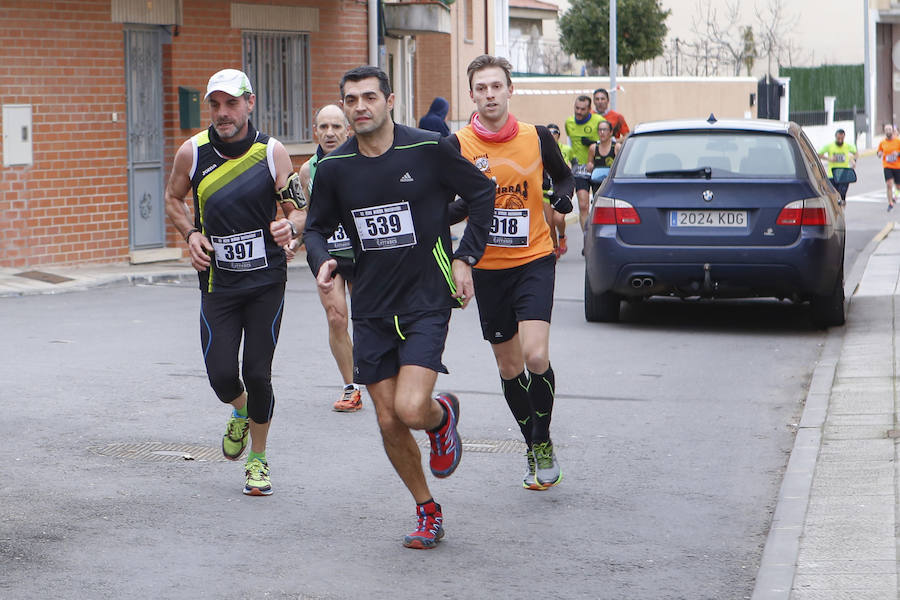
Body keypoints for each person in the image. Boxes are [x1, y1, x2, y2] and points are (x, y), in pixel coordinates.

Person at [303, 66, 495, 549]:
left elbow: (481, 192)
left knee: (411, 408)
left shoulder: (428, 148)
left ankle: (440, 416)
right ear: (344, 108)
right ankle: (427, 510)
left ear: (390, 101)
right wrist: (324, 261)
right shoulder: (335, 168)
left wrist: (466, 256)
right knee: (388, 419)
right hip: (370, 307)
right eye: (351, 99)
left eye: (370, 97)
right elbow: (314, 228)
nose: (360, 106)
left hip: (427, 299)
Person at [164, 69, 305, 496]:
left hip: (265, 281)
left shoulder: (272, 152)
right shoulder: (192, 151)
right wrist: (191, 235)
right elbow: (172, 198)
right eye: (215, 104)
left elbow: (298, 208)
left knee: (257, 374)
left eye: (231, 103)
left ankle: (257, 461)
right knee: (223, 376)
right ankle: (240, 412)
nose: (223, 113)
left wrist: (290, 228)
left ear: (250, 103)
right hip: (218, 283)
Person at [448, 55, 574, 492]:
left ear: (509, 89)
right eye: (480, 88)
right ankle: (531, 443)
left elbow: (564, 177)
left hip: (534, 259)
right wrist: (465, 209)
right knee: (509, 367)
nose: (489, 95)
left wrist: (561, 199)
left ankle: (542, 442)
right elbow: (449, 202)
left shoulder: (536, 137)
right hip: (489, 269)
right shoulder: (458, 145)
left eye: (495, 87)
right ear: (472, 95)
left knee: (536, 357)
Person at [298, 104, 362, 412]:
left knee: (370, 318)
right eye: (323, 127)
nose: (330, 133)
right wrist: (295, 238)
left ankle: (383, 375)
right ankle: (351, 386)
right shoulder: (307, 171)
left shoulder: (361, 160)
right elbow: (310, 218)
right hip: (330, 255)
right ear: (315, 132)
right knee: (337, 317)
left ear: (348, 130)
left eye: (336, 126)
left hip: (363, 254)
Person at [565, 95, 604, 229]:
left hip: (598, 167)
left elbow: (608, 141)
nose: (579, 112)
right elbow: (569, 143)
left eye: (582, 109)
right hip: (580, 169)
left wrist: (593, 143)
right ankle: (586, 239)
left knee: (599, 206)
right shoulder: (569, 123)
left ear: (589, 109)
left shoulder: (599, 121)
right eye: (577, 108)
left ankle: (597, 236)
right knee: (583, 205)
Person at [544, 123, 572, 257]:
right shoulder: (540, 150)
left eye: (554, 133)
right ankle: (554, 246)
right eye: (548, 133)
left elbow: (573, 164)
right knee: (549, 222)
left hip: (561, 189)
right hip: (545, 190)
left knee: (558, 219)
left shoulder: (566, 149)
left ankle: (562, 237)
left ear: (559, 135)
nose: (551, 136)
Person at [818, 128, 857, 206]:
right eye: (838, 138)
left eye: (842, 138)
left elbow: (855, 153)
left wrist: (852, 160)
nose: (840, 140)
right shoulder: (829, 146)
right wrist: (829, 158)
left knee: (842, 196)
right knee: (834, 196)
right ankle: (835, 211)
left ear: (844, 137)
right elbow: (819, 154)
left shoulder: (848, 146)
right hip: (832, 175)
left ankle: (842, 211)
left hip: (844, 175)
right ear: (835, 137)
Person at [877, 124, 900, 211]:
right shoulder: (882, 142)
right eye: (886, 130)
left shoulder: (898, 141)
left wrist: (897, 154)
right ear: (884, 131)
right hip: (887, 166)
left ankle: (897, 193)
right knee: (889, 184)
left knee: (898, 186)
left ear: (892, 131)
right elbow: (879, 152)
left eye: (889, 129)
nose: (888, 131)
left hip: (897, 166)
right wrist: (879, 154)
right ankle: (890, 203)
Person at [588, 120, 616, 188]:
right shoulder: (593, 148)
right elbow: (589, 165)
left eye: (605, 130)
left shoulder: (616, 147)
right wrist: (589, 166)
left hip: (612, 183)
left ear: (611, 132)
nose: (602, 132)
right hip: (597, 183)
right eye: (600, 130)